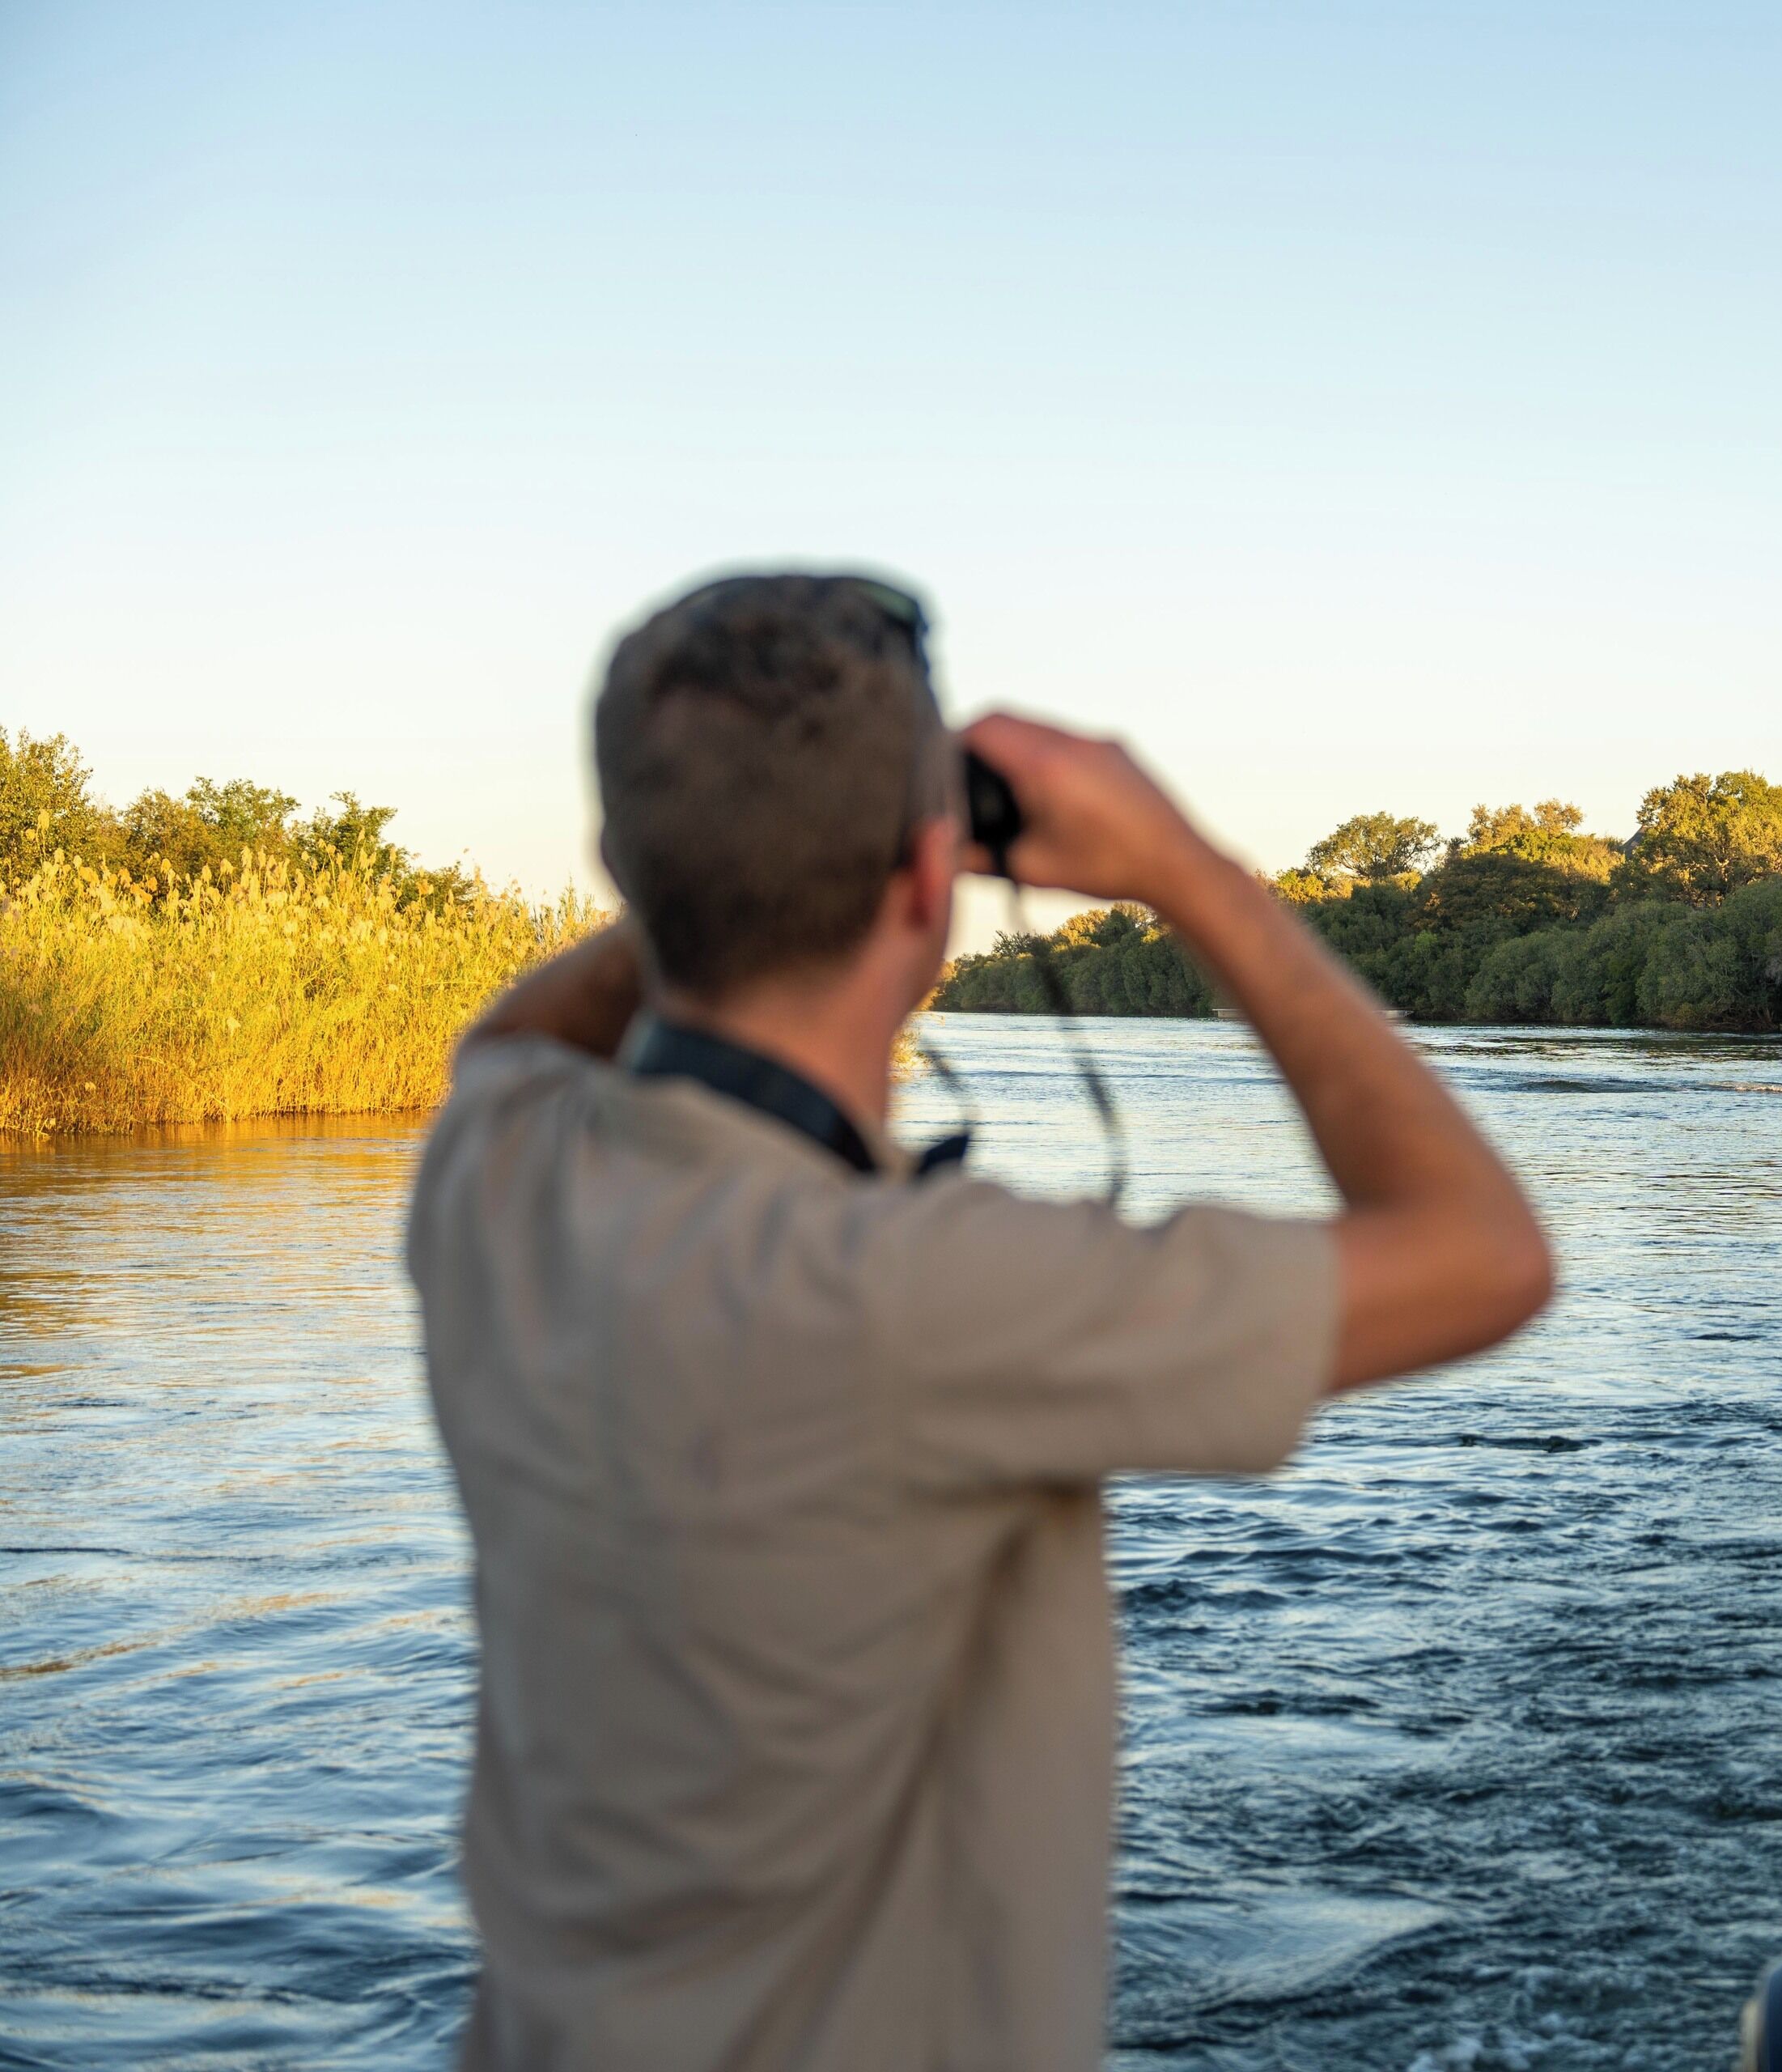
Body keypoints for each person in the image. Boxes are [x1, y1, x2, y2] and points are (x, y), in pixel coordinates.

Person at [405, 572, 1554, 2072]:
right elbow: (1487, 1255)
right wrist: (1189, 870)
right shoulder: (918, 1298)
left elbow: (508, 1035)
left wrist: (732, 850)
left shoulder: (497, 1172)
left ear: (624, 859)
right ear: (926, 886)